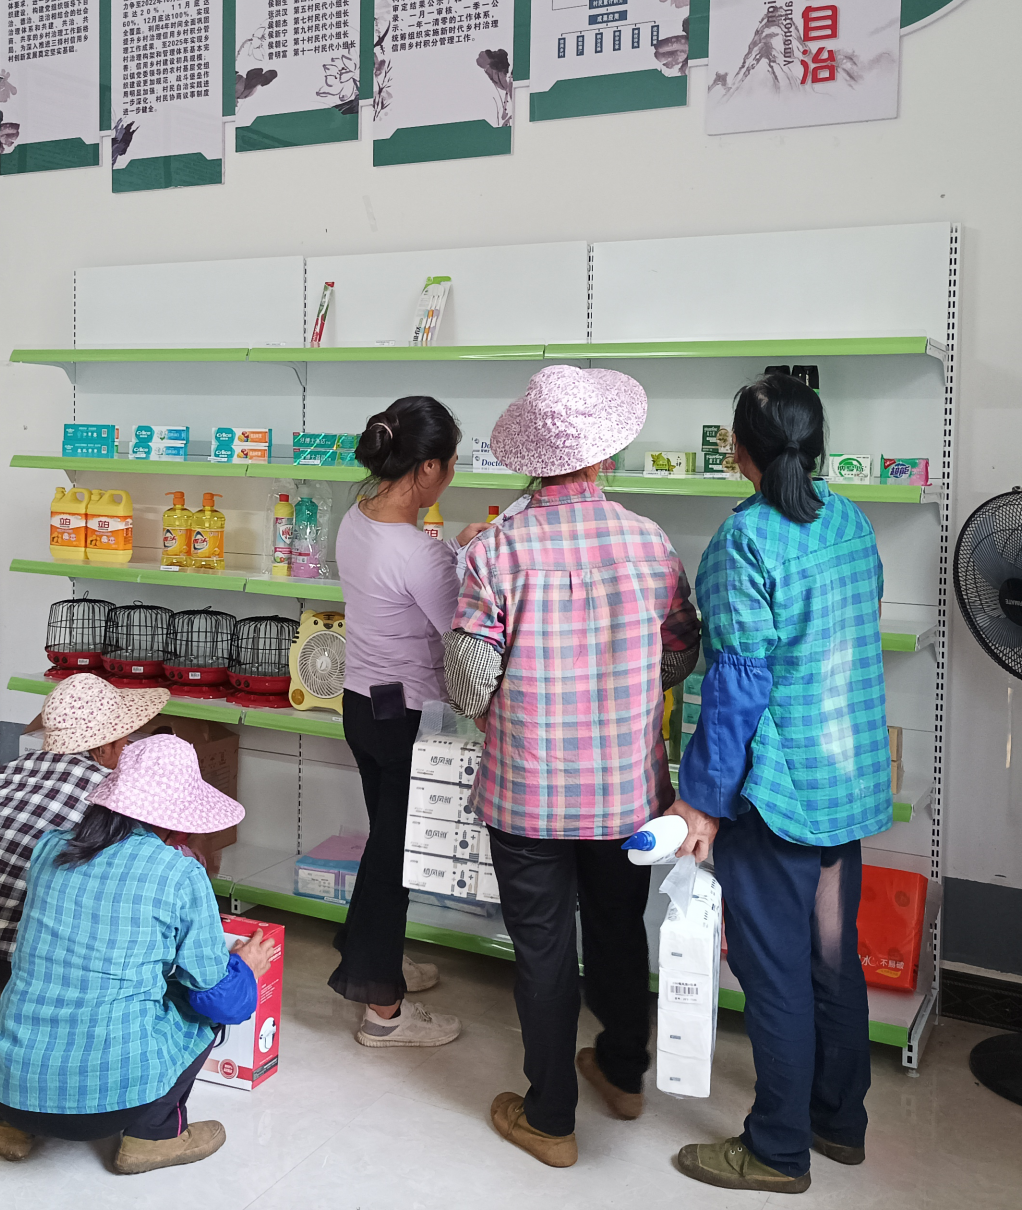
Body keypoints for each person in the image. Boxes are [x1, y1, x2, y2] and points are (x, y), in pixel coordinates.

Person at [445, 364, 701, 1169]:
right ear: (603, 457)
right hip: (627, 791)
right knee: (620, 929)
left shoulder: (494, 548)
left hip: (526, 791)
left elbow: (469, 675)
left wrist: (494, 707)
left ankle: (551, 1116)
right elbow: (681, 649)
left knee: (544, 949)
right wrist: (630, 684)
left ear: (531, 460)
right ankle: (623, 1074)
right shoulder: (648, 540)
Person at [667, 373, 893, 1195]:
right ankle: (839, 1122)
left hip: (779, 791)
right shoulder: (850, 519)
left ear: (739, 450)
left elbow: (737, 683)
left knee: (776, 975)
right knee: (833, 961)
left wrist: (700, 800)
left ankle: (776, 1149)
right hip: (845, 776)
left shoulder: (744, 542)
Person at [0, 734, 278, 1174]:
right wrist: (246, 968)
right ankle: (154, 1135)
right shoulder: (179, 873)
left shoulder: (50, 847)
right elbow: (221, 1000)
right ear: (181, 823)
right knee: (201, 1004)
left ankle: (10, 1126)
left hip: (7, 1086)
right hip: (112, 1105)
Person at [327, 395, 490, 1049]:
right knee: (395, 858)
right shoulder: (419, 554)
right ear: (426, 468)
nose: (451, 474)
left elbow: (402, 577)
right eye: (450, 464)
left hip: (363, 704)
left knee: (384, 844)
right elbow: (458, 623)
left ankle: (376, 960)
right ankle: (382, 1011)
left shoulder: (356, 518)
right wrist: (469, 558)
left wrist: (451, 550)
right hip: (407, 720)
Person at [0, 673, 153, 993]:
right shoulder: (109, 793)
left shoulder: (6, 772)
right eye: (124, 742)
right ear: (106, 745)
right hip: (13, 963)